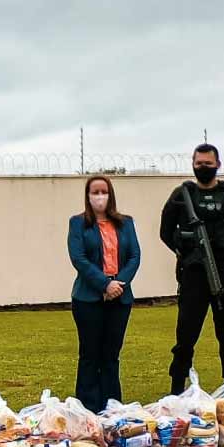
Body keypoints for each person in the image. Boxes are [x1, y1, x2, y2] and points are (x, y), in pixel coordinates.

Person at [160, 143, 224, 394]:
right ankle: (177, 388)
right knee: (186, 334)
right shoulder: (182, 195)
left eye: (208, 164)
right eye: (199, 164)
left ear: (218, 165)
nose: (203, 168)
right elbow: (166, 232)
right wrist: (186, 252)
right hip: (193, 273)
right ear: (192, 164)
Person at [67, 176, 141, 413]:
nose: (99, 196)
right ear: (88, 196)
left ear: (111, 194)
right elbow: (79, 258)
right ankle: (88, 407)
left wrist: (118, 284)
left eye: (103, 191)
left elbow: (134, 256)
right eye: (94, 192)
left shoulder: (126, 223)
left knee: (111, 355)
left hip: (120, 298)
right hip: (88, 298)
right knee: (90, 354)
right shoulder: (78, 223)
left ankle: (112, 405)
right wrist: (104, 285)